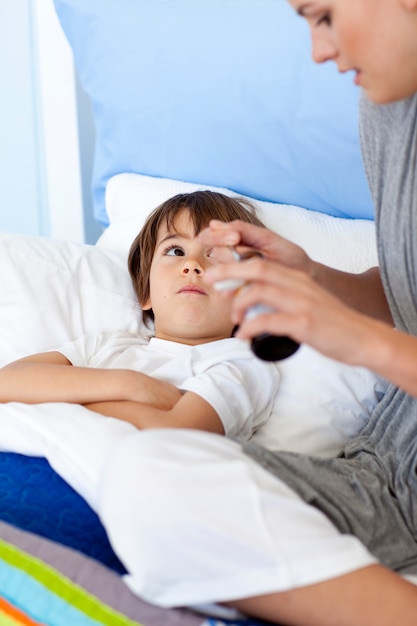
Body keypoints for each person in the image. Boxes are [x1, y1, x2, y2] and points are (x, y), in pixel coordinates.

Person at [93, 1, 417, 625]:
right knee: (145, 473)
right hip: (384, 478)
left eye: (323, 16)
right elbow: (406, 290)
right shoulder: (388, 110)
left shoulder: (234, 369)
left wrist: (358, 341)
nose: (320, 51)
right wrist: (312, 277)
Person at [0, 191, 279, 441]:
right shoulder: (109, 345)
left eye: (216, 255)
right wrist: (131, 385)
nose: (193, 265)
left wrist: (61, 399)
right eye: (176, 251)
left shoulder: (241, 361)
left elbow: (176, 431)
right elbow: (8, 381)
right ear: (145, 294)